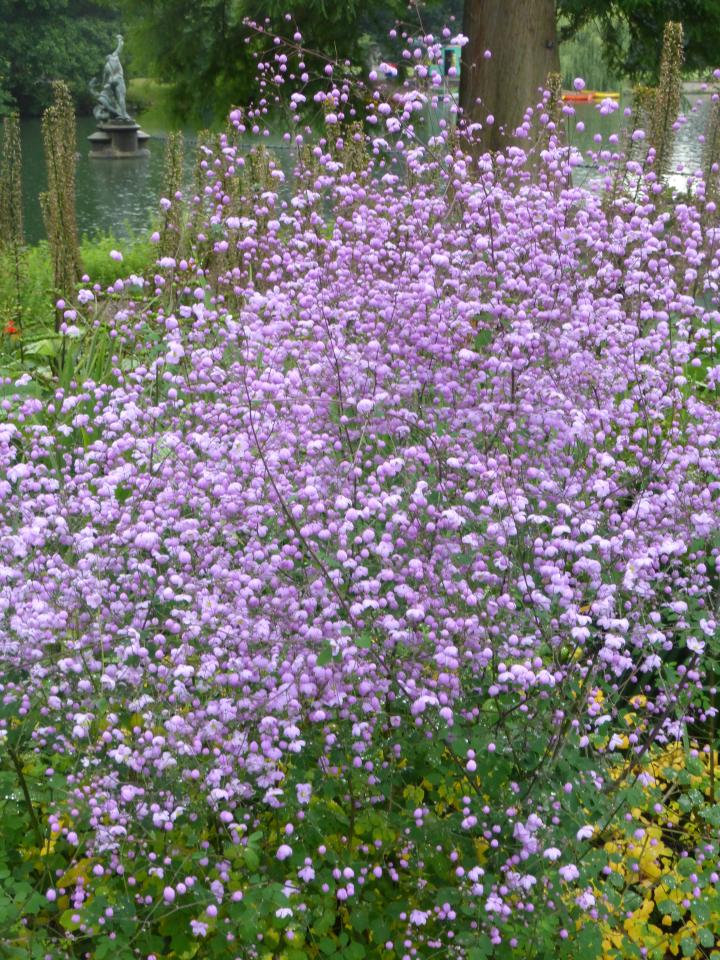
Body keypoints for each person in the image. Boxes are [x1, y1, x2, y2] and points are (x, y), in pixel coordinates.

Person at [91, 35, 131, 123]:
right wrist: (120, 39)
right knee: (121, 97)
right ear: (110, 56)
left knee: (114, 97)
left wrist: (103, 85)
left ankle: (116, 112)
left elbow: (104, 78)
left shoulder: (106, 66)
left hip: (111, 81)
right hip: (119, 79)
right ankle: (123, 116)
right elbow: (120, 47)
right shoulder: (115, 57)